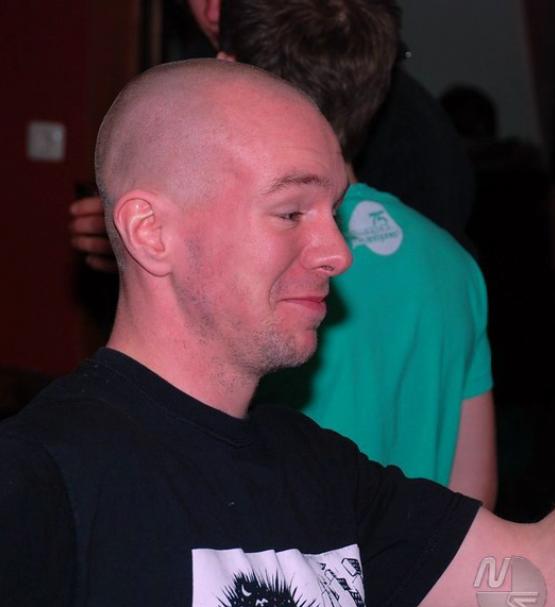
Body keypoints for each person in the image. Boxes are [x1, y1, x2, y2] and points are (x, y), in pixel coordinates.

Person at [4, 60, 555, 607]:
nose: (338, 253)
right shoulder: (41, 478)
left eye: (333, 212)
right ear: (152, 233)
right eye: (291, 212)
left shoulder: (321, 470)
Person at [70, 0, 496, 504]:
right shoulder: (452, 263)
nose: (336, 255)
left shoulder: (250, 290)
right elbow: (474, 496)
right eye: (290, 213)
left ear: (231, 71)